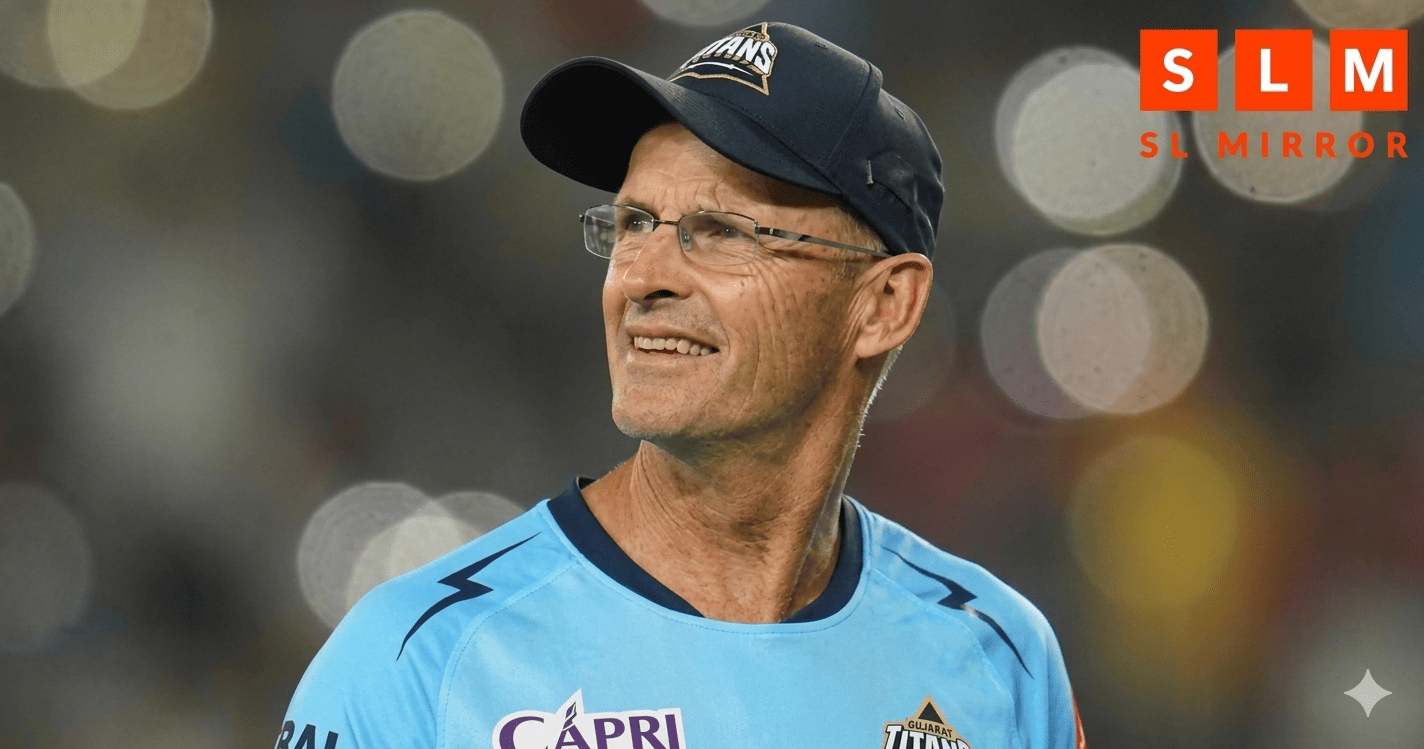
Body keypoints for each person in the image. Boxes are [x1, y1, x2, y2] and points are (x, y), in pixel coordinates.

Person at [277, 21, 1085, 749]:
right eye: (634, 223)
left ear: (884, 304)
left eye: (722, 230)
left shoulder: (1000, 659)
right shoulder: (419, 659)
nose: (641, 277)